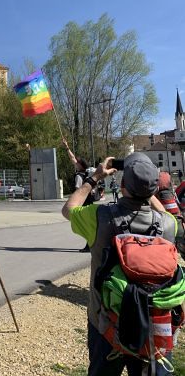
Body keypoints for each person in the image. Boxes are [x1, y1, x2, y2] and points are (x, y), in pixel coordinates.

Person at [62, 152, 177, 376]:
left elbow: (69, 208)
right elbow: (164, 214)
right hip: (152, 326)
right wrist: (148, 188)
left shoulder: (100, 216)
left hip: (106, 325)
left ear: (122, 185)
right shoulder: (167, 225)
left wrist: (95, 177)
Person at [62, 138, 96, 252]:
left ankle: (89, 245)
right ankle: (90, 245)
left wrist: (74, 200)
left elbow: (78, 190)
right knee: (88, 224)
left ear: (81, 165)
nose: (75, 162)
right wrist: (67, 147)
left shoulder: (79, 176)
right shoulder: (87, 174)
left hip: (83, 202)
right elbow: (72, 158)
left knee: (84, 224)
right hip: (89, 201)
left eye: (77, 162)